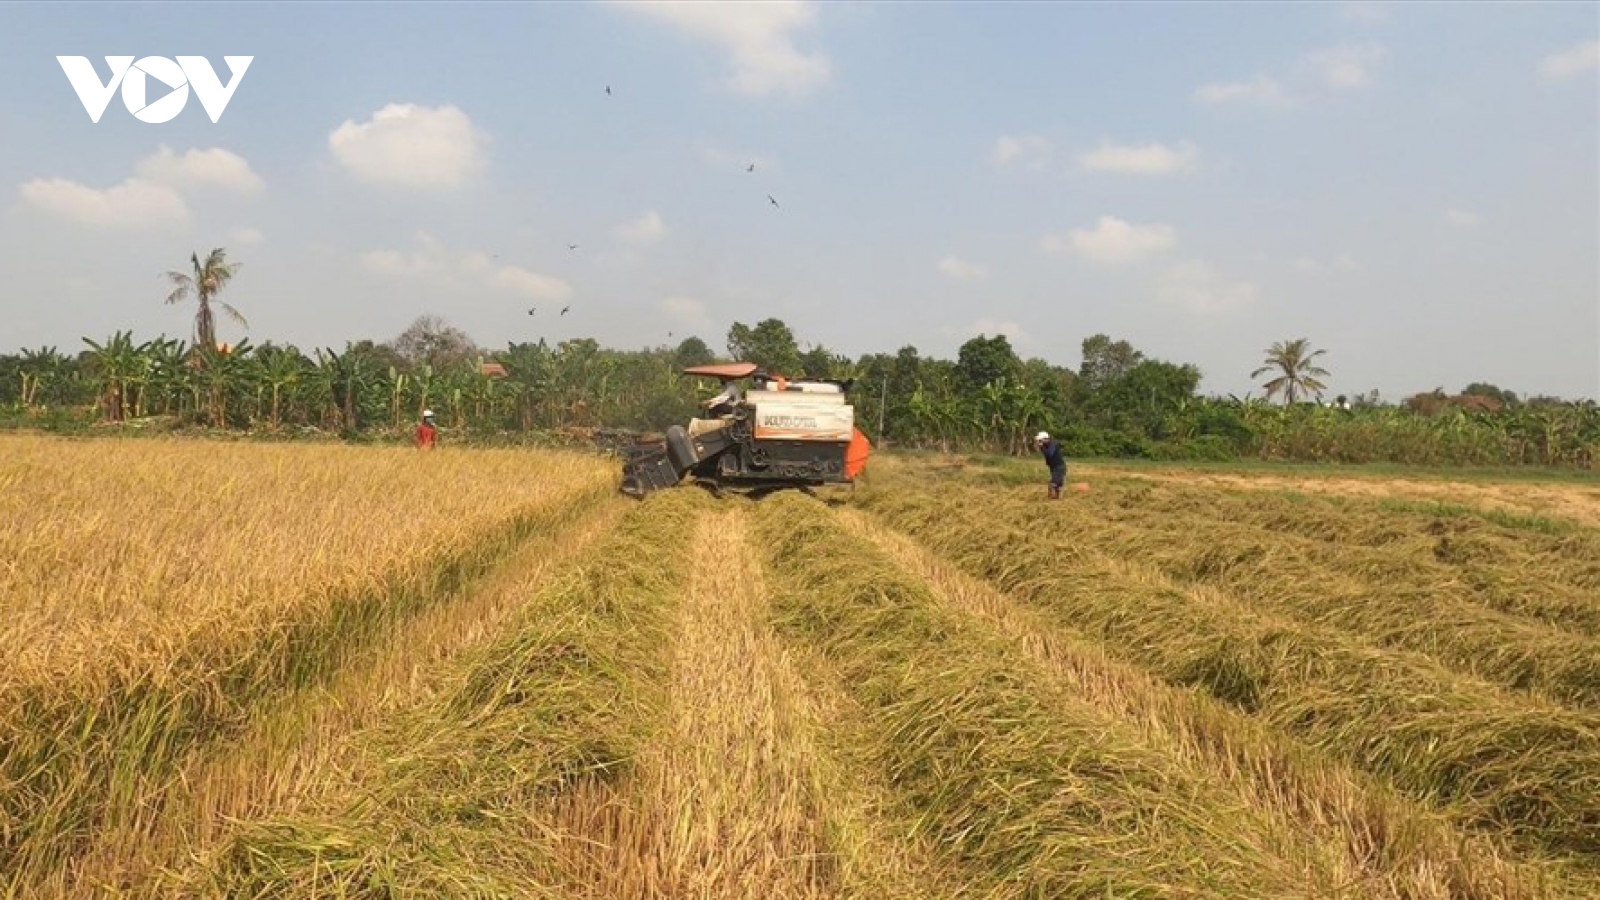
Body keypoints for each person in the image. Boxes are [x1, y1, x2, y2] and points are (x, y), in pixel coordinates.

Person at [1034, 430, 1065, 499]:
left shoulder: (1053, 444)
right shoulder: (1046, 445)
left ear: (1045, 439)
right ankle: (1056, 498)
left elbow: (1050, 454)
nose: (1039, 442)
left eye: (1040, 440)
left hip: (1059, 467)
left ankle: (1051, 497)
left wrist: (1041, 447)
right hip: (1053, 467)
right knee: (1058, 485)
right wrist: (1040, 446)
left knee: (1053, 483)